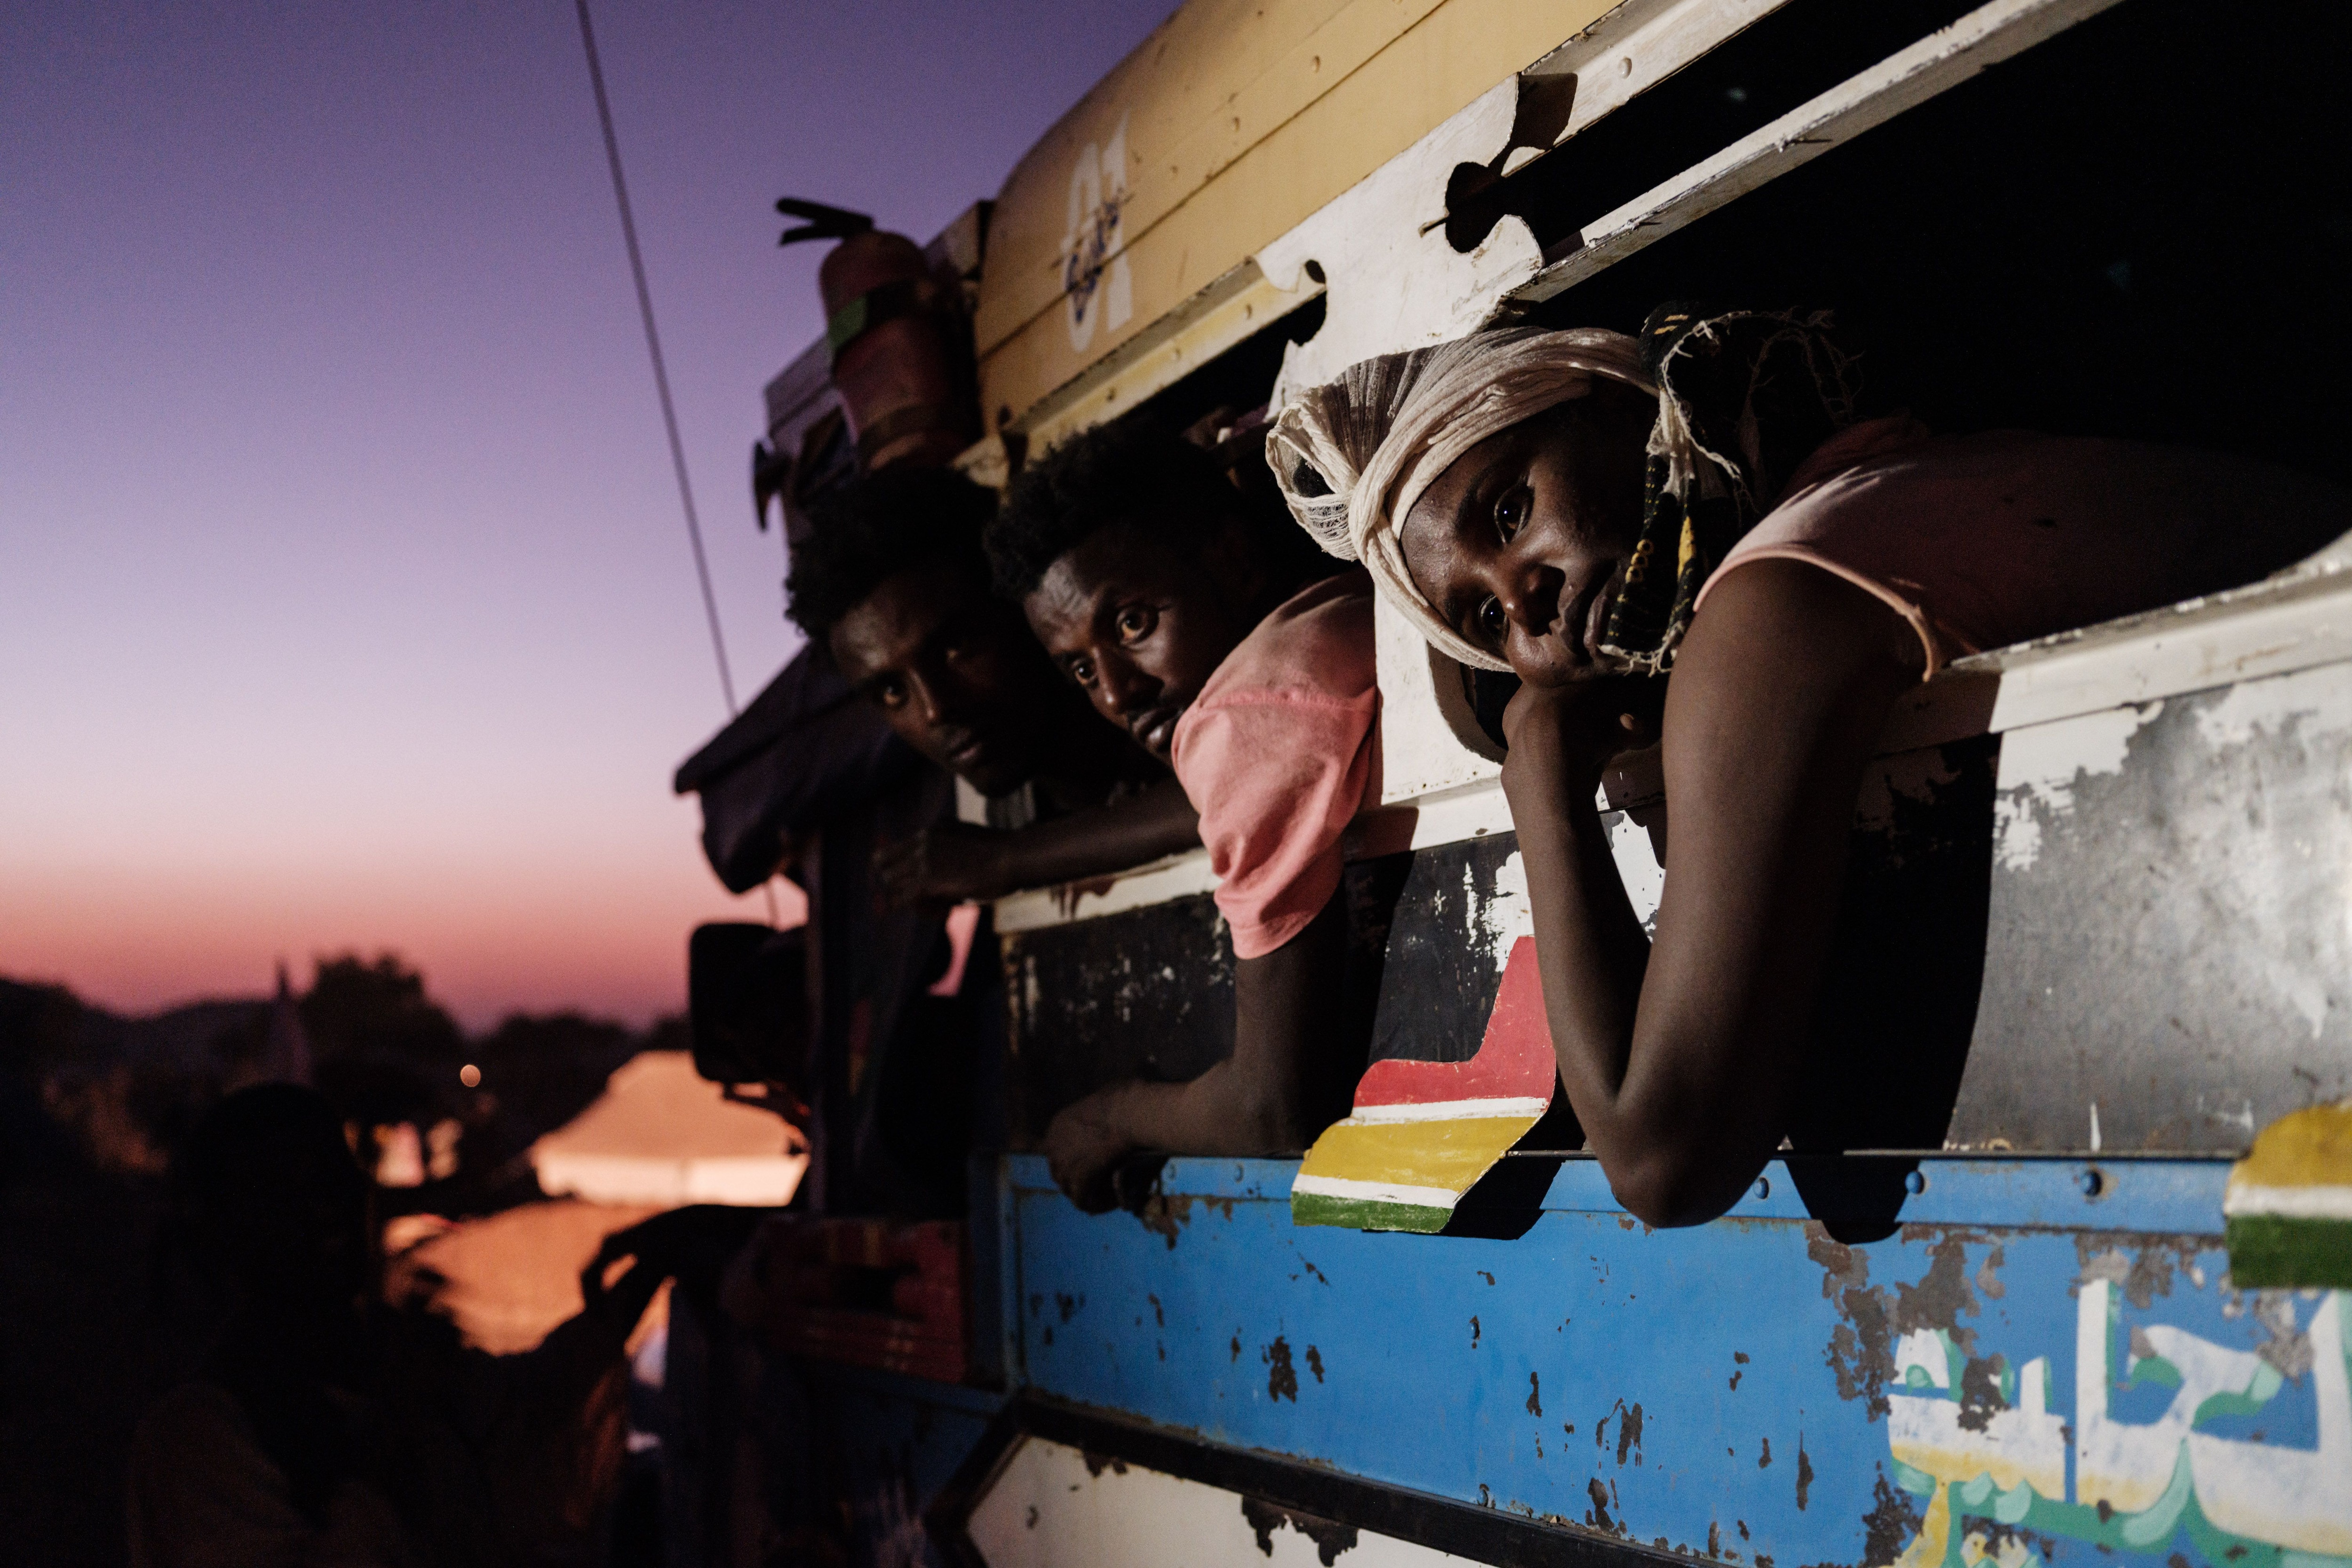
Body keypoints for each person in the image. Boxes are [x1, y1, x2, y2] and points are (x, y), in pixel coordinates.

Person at [1269, 305, 2349, 1228]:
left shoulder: (1770, 605)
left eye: (1510, 512)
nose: (1528, 605)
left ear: (1621, 409)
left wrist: (1537, 773)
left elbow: (1660, 1161)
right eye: (1482, 619)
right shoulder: (1862, 489)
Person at [986, 420, 1374, 1210]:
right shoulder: (1328, 617)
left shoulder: (1240, 714)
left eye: (1132, 623)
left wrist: (1111, 1113)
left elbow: (1272, 1109)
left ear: (1232, 559)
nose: (1116, 694)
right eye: (1079, 669)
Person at [127, 1084, 731, 1568]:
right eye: (278, 1195)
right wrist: (392, 1440)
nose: (324, 1214)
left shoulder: (404, 1365)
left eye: (334, 1184)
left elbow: (535, 1406)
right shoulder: (198, 1442)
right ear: (222, 1236)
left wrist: (649, 1267)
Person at [786, 466, 1200, 906]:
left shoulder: (1166, 691)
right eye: (892, 691)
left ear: (1020, 605)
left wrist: (1009, 858)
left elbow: (1233, 788)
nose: (935, 709)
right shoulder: (1004, 806)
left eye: (954, 647)